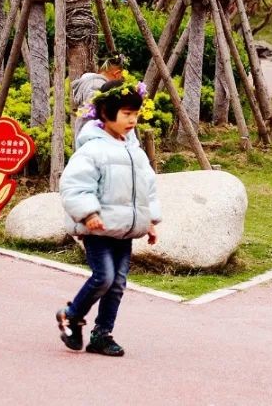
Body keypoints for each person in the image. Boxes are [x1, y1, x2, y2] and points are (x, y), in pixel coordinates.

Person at [56, 75, 161, 357]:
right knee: (103, 278)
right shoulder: (92, 149)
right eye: (126, 114)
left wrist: (149, 220)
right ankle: (71, 314)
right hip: (98, 230)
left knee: (117, 285)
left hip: (124, 230)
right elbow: (74, 185)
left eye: (136, 114)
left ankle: (102, 334)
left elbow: (147, 188)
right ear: (105, 113)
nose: (132, 121)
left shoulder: (134, 151)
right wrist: (88, 213)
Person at [70, 54, 127, 140]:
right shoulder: (96, 84)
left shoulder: (93, 83)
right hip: (91, 135)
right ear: (117, 74)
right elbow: (93, 105)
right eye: (121, 77)